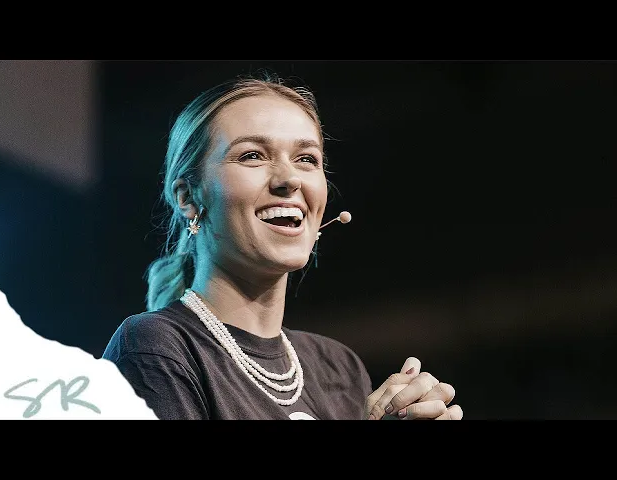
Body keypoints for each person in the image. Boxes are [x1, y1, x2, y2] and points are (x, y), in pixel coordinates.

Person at [102, 71, 463, 420]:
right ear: (188, 197)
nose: (289, 179)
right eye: (252, 155)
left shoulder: (340, 368)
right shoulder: (154, 347)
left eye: (306, 159)